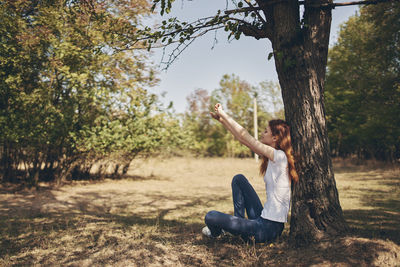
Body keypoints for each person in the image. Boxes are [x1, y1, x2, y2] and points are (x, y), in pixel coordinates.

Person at [203, 103, 299, 243]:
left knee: (210, 216)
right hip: (263, 219)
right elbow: (242, 139)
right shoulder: (275, 157)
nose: (262, 133)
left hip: (267, 229)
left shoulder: (279, 156)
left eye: (266, 131)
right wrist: (222, 120)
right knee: (239, 179)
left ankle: (218, 233)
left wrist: (223, 114)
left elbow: (246, 137)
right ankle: (237, 225)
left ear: (275, 138)